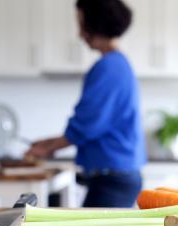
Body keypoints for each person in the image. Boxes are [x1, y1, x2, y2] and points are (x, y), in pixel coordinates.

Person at [25, 0, 146, 208]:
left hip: (113, 179)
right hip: (117, 176)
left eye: (82, 25)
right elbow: (92, 124)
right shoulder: (118, 64)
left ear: (96, 24)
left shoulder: (108, 67)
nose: (80, 34)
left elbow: (87, 125)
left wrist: (47, 147)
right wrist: (48, 143)